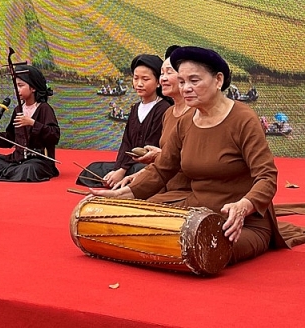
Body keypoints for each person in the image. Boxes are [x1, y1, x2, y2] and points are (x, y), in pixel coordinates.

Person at [91, 46, 305, 265]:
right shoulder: (185, 121)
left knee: (203, 248)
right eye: (182, 82)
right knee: (129, 223)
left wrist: (243, 206)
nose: (186, 89)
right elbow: (162, 169)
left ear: (218, 80)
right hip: (194, 209)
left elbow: (267, 177)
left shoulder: (244, 119)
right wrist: (123, 195)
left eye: (194, 81)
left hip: (240, 220)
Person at [76, 54, 170, 188]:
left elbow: (151, 146)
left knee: (139, 170)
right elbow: (126, 142)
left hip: (147, 165)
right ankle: (118, 180)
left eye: (145, 79)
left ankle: (122, 180)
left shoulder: (163, 108)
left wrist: (122, 170)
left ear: (158, 82)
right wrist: (118, 168)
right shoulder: (135, 108)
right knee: (93, 168)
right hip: (129, 164)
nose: (139, 84)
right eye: (136, 78)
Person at [114, 46, 191, 203]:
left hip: (184, 189)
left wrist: (156, 159)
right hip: (164, 180)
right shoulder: (169, 114)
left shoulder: (190, 114)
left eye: (169, 72)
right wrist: (123, 171)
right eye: (162, 73)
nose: (163, 78)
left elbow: (189, 162)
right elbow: (127, 142)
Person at [0, 64, 60, 182]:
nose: (17, 90)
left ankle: (9, 172)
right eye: (16, 86)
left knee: (29, 169)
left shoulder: (44, 108)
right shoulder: (18, 110)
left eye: (20, 86)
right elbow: (11, 137)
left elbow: (54, 135)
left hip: (38, 161)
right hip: (17, 159)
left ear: (33, 88)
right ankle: (11, 172)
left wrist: (32, 123)